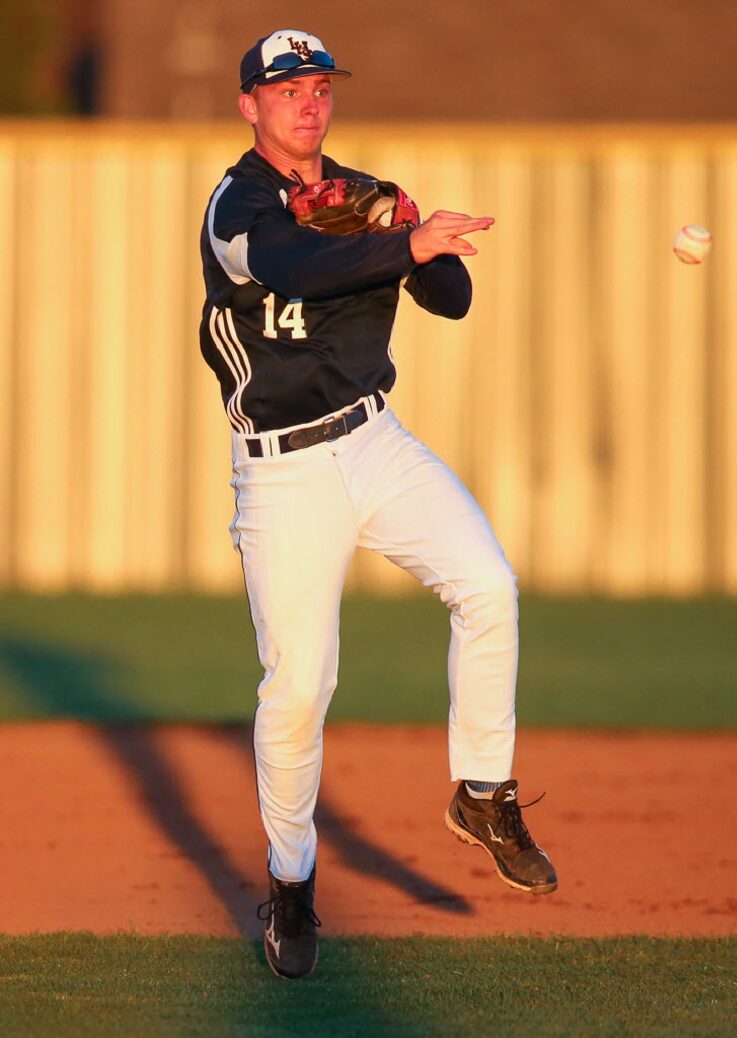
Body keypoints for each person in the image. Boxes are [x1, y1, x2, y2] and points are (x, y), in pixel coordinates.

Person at [198, 28, 557, 981]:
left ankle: (483, 792)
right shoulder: (237, 207)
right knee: (299, 691)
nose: (307, 102)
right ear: (250, 106)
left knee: (487, 583)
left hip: (373, 438)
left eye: (318, 86)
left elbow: (452, 297)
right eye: (286, 89)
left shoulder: (363, 196)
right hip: (281, 473)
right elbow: (294, 269)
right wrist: (392, 237)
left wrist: (419, 239)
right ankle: (290, 885)